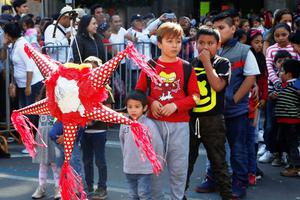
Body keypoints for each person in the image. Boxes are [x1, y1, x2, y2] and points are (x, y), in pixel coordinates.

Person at [135, 22, 199, 200]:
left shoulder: (187, 67)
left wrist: (176, 105)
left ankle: (177, 198)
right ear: (159, 43)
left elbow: (196, 96)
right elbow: (138, 93)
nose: (174, 45)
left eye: (178, 41)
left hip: (180, 125)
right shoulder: (150, 65)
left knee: (179, 168)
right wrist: (151, 101)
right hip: (153, 125)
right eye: (169, 41)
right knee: (154, 167)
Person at [200, 12, 260, 198]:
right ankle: (214, 179)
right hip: (213, 112)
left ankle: (239, 182)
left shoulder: (243, 50)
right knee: (214, 148)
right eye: (214, 28)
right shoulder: (209, 48)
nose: (217, 32)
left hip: (236, 111)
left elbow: (250, 78)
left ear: (233, 29)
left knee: (237, 149)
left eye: (221, 28)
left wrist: (234, 99)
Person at [185, 26, 232, 200]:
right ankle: (179, 194)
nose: (205, 47)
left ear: (218, 45)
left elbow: (218, 85)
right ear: (195, 44)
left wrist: (206, 62)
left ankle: (227, 195)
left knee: (218, 160)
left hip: (213, 120)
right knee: (186, 161)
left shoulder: (222, 62)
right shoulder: (189, 64)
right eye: (201, 43)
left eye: (210, 43)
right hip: (191, 119)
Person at [80, 56, 114, 199]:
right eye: (88, 68)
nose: (91, 71)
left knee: (100, 160)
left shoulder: (105, 88)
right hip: (84, 130)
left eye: (94, 68)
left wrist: (92, 120)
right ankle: (88, 186)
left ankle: (102, 187)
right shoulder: (80, 85)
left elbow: (108, 109)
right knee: (86, 160)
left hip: (99, 130)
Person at [119, 90, 163, 200]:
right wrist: (125, 159)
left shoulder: (149, 125)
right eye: (130, 107)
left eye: (137, 106)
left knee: (144, 194)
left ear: (144, 108)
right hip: (129, 168)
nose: (133, 110)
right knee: (132, 195)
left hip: (144, 169)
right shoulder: (124, 124)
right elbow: (122, 142)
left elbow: (157, 144)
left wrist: (158, 163)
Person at [259, 50, 292, 164]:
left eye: (286, 60)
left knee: (284, 131)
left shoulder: (294, 77)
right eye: (279, 61)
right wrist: (272, 95)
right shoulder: (273, 78)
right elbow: (268, 91)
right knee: (270, 128)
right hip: (273, 105)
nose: (282, 63)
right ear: (275, 64)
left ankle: (284, 154)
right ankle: (271, 151)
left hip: (288, 109)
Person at [31, 88, 60, 200]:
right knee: (42, 164)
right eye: (47, 90)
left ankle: (58, 188)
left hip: (54, 137)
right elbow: (34, 122)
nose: (49, 93)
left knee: (55, 164)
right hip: (41, 138)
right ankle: (41, 187)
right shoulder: (39, 105)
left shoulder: (59, 104)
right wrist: (33, 139)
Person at [275, 59, 300, 177]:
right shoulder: (280, 85)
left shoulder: (296, 85)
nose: (279, 74)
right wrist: (272, 96)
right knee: (282, 140)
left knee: (292, 143)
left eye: (282, 71)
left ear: (289, 74)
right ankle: (291, 163)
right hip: (282, 120)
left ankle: (295, 166)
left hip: (292, 120)